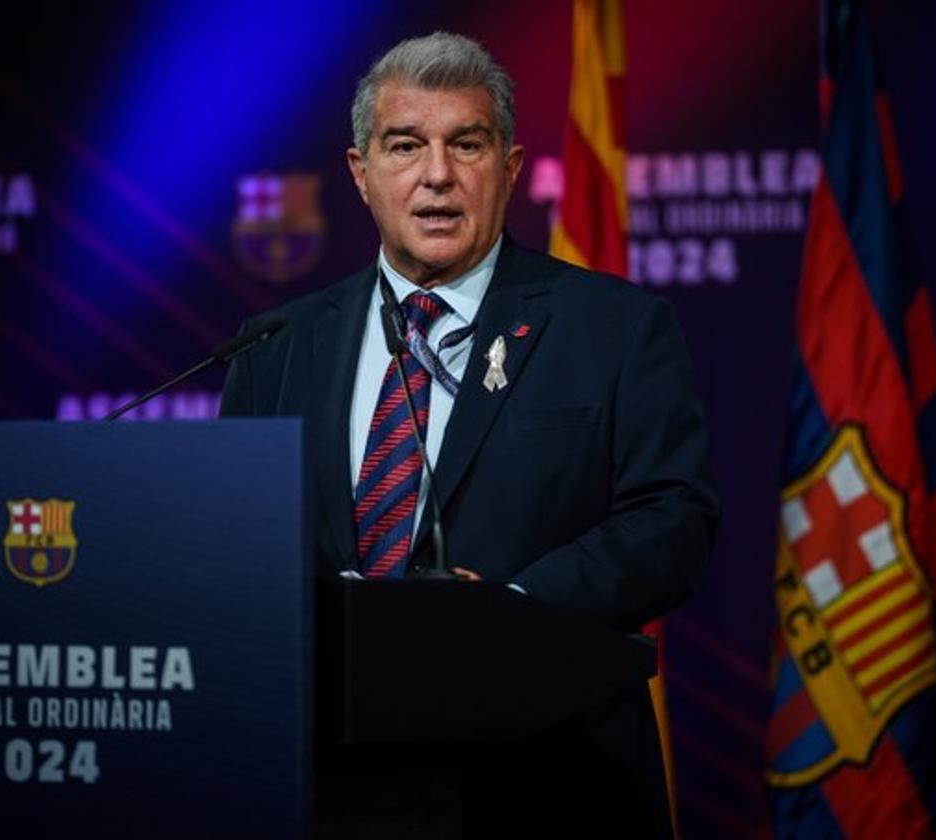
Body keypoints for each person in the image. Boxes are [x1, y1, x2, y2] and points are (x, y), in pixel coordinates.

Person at [221, 31, 717, 839]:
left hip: (547, 779)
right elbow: (237, 546)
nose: (437, 176)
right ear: (361, 173)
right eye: (406, 145)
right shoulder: (276, 344)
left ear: (511, 169)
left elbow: (673, 519)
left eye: (467, 144)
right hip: (323, 779)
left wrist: (512, 612)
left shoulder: (616, 328)